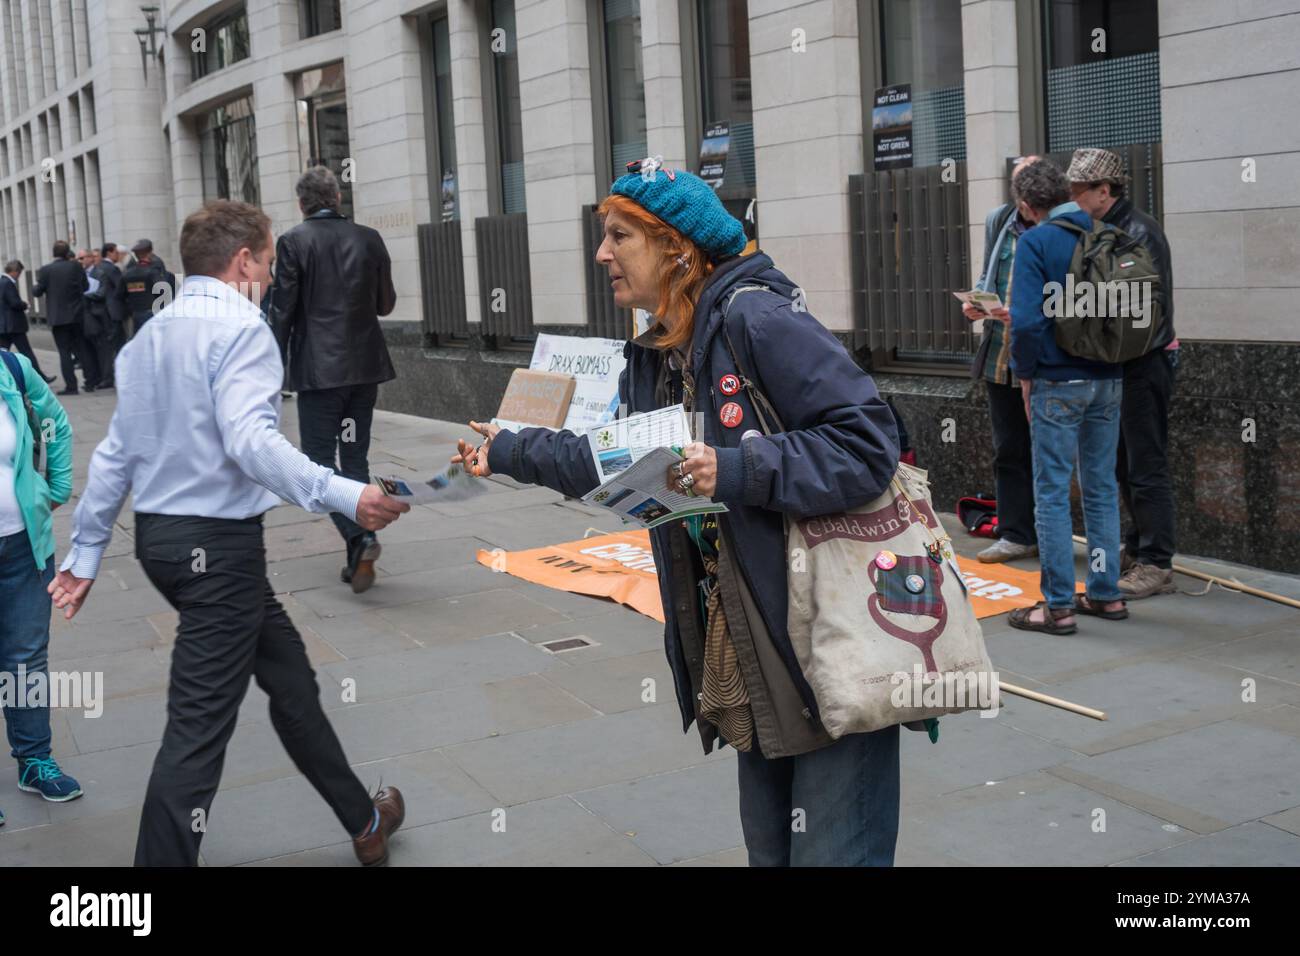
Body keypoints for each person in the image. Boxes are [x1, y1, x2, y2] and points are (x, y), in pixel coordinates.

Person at [454, 158, 903, 866]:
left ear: (677, 248)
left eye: (618, 236)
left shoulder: (759, 315)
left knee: (836, 854)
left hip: (823, 635)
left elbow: (869, 442)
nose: (601, 254)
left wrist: (734, 468)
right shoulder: (663, 350)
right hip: (744, 641)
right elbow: (616, 460)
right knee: (772, 854)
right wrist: (510, 450)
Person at [48, 200, 411, 867]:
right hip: (218, 551)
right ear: (243, 260)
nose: (271, 277)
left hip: (165, 544)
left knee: (292, 681)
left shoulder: (148, 339)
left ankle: (364, 820)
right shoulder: (243, 328)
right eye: (269, 262)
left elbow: (116, 454)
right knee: (195, 735)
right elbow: (250, 441)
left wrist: (87, 552)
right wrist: (345, 493)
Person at [1007, 160, 1127, 636]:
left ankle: (1057, 606)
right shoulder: (1108, 234)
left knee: (1052, 493)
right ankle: (1105, 592)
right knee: (1100, 489)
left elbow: (1029, 321)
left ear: (1024, 206)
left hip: (1058, 381)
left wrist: (1025, 375)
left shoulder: (1036, 241)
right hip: (1109, 378)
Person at [268, 166, 397, 593]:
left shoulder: (294, 241)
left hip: (320, 374)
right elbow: (386, 304)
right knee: (354, 457)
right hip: (363, 369)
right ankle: (357, 548)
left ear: (302, 203)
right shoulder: (368, 239)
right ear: (337, 198)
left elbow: (282, 311)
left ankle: (361, 536)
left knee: (320, 462)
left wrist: (271, 368)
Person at [1066, 147, 1178, 600]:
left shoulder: (1137, 234)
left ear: (1103, 191)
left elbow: (1134, 313)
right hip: (1118, 363)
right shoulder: (1108, 229)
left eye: (1078, 192)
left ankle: (1156, 562)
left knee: (1145, 465)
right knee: (1123, 464)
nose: (1073, 200)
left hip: (1142, 362)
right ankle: (1136, 548)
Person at [0, 347, 81, 826]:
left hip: (24, 547)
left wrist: (55, 489)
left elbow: (56, 424)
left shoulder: (11, 367)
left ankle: (33, 761)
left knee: (26, 657)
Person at [964, 155, 1040, 564]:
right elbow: (987, 275)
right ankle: (1015, 533)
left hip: (1042, 358)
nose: (1023, 195)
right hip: (1000, 353)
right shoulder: (1000, 220)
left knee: (1050, 450)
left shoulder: (1058, 226)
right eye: (1017, 184)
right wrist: (977, 304)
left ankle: (1051, 533)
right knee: (1008, 448)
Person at [32, 241, 100, 395]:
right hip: (77, 315)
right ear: (67, 252)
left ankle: (71, 386)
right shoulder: (75, 266)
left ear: (54, 253)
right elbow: (86, 287)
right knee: (82, 349)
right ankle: (90, 382)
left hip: (58, 318)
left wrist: (37, 286)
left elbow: (37, 292)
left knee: (64, 352)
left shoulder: (46, 270)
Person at [1, 260, 56, 384]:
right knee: (27, 352)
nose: (19, 276)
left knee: (3, 353)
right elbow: (14, 303)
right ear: (15, 271)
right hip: (14, 326)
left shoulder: (1, 281)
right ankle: (40, 377)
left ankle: (5, 379)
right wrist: (25, 304)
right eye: (19, 273)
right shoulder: (7, 283)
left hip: (5, 327)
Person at [87, 245, 127, 388]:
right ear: (109, 253)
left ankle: (107, 376)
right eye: (116, 252)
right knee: (119, 345)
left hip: (100, 312)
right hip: (113, 312)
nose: (119, 255)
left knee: (106, 347)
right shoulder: (112, 269)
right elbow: (121, 288)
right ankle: (115, 376)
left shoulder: (97, 269)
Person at [118, 239, 173, 336]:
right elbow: (164, 294)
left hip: (136, 315)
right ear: (150, 252)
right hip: (153, 314)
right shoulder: (153, 272)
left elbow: (119, 295)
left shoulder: (127, 274)